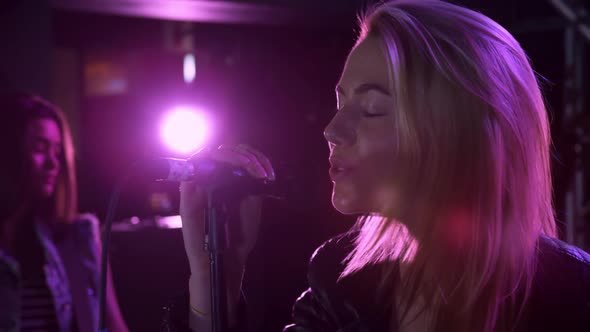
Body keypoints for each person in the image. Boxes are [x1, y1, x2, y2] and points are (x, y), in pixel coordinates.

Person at [172, 1, 590, 331]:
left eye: (371, 109)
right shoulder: (339, 282)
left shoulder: (574, 296)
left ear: (458, 132)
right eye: (340, 103)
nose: (333, 130)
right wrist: (215, 280)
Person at [0, 93, 129, 332]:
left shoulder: (77, 237)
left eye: (58, 152)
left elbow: (115, 326)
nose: (53, 163)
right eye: (40, 148)